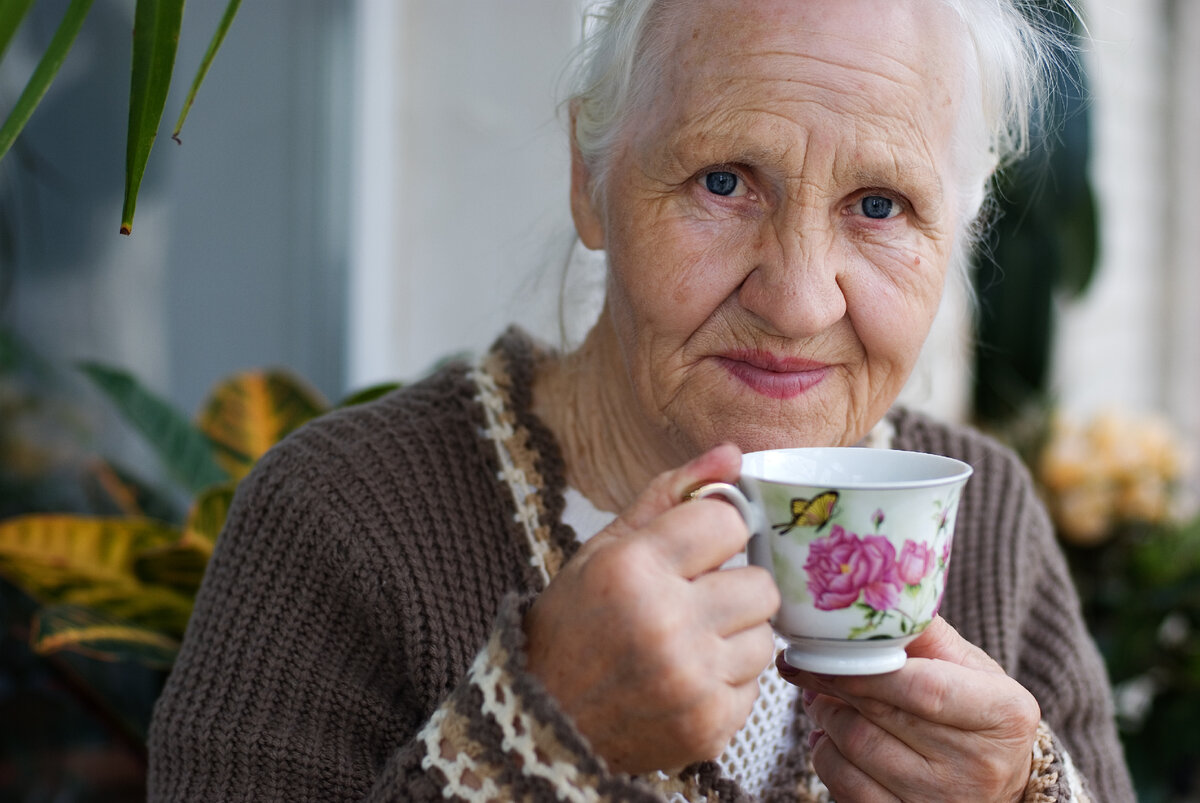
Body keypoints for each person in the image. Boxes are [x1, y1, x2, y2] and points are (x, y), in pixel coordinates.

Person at [148, 0, 1136, 800]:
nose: (795, 299)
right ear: (591, 176)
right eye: (722, 182)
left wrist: (1026, 791)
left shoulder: (991, 522)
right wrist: (539, 735)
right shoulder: (344, 519)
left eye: (880, 205)